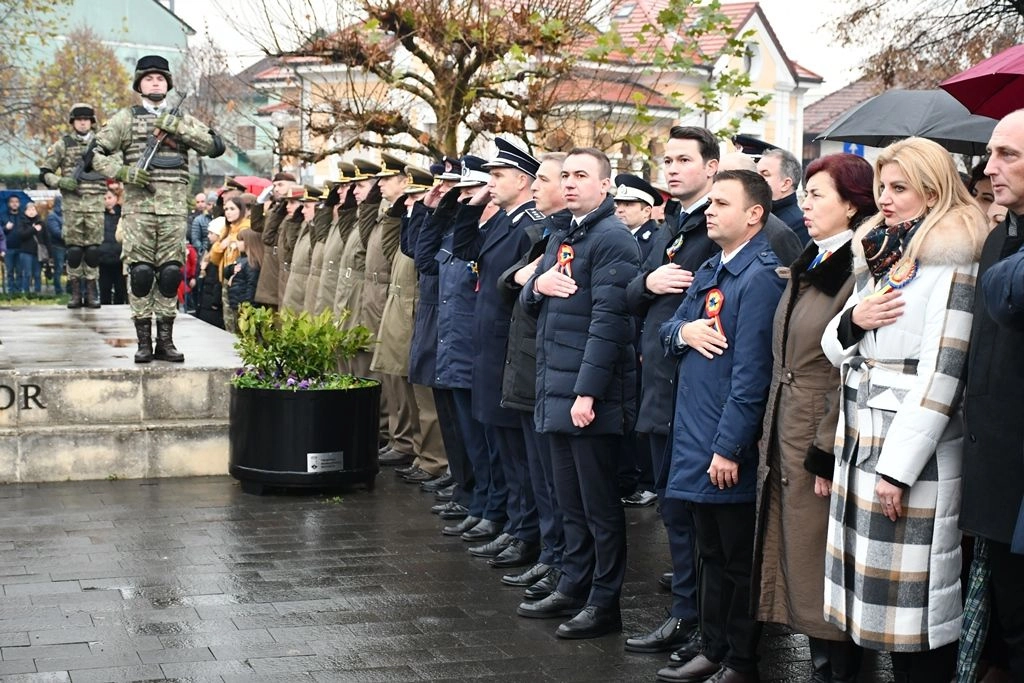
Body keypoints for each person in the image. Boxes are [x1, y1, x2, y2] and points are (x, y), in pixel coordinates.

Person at [820, 137, 988, 683]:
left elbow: (944, 376)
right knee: (873, 605)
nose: (884, 199)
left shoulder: (956, 260)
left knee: (914, 611)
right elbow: (832, 345)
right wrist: (855, 320)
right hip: (859, 438)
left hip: (911, 451)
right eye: (881, 187)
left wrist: (897, 470)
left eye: (899, 188)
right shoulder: (883, 253)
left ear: (933, 191)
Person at [656, 170, 785, 683]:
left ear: (754, 214)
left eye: (722, 204)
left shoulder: (760, 277)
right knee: (707, 551)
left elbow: (752, 376)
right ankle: (711, 647)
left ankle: (740, 659)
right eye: (710, 203)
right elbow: (668, 329)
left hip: (722, 445)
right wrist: (685, 331)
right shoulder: (714, 265)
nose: (709, 211)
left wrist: (729, 447)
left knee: (735, 559)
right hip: (694, 435)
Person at [751, 153, 875, 683]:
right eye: (803, 193)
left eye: (817, 194)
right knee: (798, 555)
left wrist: (826, 447)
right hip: (790, 423)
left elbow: (847, 370)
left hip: (819, 432)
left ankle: (840, 670)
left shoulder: (857, 266)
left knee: (820, 559)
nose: (804, 203)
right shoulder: (816, 257)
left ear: (851, 205)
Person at [516, 148, 640, 640]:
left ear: (605, 185)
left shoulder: (612, 238)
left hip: (588, 398)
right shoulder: (563, 233)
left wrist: (586, 394)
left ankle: (604, 603)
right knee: (568, 501)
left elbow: (610, 325)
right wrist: (537, 286)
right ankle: (573, 584)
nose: (569, 183)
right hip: (555, 386)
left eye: (581, 175)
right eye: (565, 175)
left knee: (599, 507)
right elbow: (530, 304)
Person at [624, 126, 719, 662]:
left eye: (684, 159)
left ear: (711, 167)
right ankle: (686, 612)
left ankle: (701, 621)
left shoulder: (718, 224)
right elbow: (632, 290)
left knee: (694, 516)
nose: (673, 168)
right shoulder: (672, 225)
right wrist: (649, 283)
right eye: (668, 160)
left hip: (695, 395)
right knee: (673, 512)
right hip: (661, 390)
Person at [91, 54, 225, 363]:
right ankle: (143, 342)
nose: (155, 83)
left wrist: (179, 129)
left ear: (168, 85)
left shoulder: (182, 119)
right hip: (138, 211)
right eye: (149, 78)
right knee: (140, 274)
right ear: (139, 85)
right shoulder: (125, 119)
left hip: (173, 210)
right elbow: (94, 154)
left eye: (160, 79)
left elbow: (215, 146)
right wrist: (123, 172)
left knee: (170, 274)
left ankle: (165, 341)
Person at [959, 109, 1024, 682]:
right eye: (991, 152)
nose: (990, 167)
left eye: (1009, 155)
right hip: (993, 463)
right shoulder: (1000, 236)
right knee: (1006, 619)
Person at [497, 152, 569, 600]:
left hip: (549, 372)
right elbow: (510, 280)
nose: (535, 186)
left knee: (555, 481)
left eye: (543, 179)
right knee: (541, 476)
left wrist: (528, 281)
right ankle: (550, 553)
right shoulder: (546, 233)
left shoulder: (564, 236)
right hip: (530, 367)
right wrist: (523, 278)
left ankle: (558, 559)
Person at [612, 173, 663, 509]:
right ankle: (629, 476)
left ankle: (645, 481)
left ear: (647, 210)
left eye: (629, 204)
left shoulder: (654, 240)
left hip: (641, 339)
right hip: (622, 337)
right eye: (618, 203)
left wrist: (644, 343)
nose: (620, 209)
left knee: (642, 413)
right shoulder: (618, 238)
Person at [39, 103, 108, 307]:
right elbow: (45, 172)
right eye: (79, 120)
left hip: (95, 205)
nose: (83, 123)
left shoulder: (102, 144)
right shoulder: (63, 144)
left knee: (93, 251)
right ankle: (76, 292)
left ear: (92, 122)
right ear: (73, 122)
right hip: (72, 205)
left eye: (86, 119)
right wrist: (61, 181)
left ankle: (92, 292)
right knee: (75, 251)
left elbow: (115, 166)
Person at [209, 195, 251, 332]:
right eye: (226, 209)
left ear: (241, 210)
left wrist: (233, 241)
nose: (228, 212)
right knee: (228, 321)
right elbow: (214, 258)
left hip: (241, 279)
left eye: (232, 209)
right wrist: (221, 245)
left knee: (240, 321)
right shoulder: (226, 229)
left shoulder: (246, 228)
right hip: (226, 279)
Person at [757, 148, 807, 245]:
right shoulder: (759, 215)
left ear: (785, 184)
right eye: (755, 173)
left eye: (765, 174)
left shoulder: (798, 225)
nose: (755, 178)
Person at [97, 189, 126, 305]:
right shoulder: (100, 215)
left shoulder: (123, 215)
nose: (107, 201)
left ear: (116, 198)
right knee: (104, 289)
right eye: (104, 199)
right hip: (103, 258)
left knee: (120, 289)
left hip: (120, 258)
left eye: (110, 198)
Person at [16, 202, 51, 294]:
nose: (31, 211)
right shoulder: (22, 222)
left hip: (38, 252)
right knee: (27, 274)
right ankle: (26, 292)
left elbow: (46, 238)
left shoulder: (41, 222)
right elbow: (21, 235)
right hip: (26, 252)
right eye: (29, 209)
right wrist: (33, 229)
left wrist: (50, 253)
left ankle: (37, 292)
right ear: (25, 211)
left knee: (37, 274)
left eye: (33, 209)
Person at [44, 196, 65, 296]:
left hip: (68, 246)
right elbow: (56, 232)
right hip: (57, 246)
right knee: (59, 269)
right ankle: (58, 290)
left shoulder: (66, 215)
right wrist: (70, 235)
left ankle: (70, 289)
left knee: (71, 269)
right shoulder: (52, 216)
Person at [3, 195, 23, 293]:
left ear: (19, 204)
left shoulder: (23, 216)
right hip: (8, 248)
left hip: (21, 247)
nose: (14, 204)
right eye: (12, 202)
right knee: (10, 271)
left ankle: (18, 290)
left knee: (20, 271)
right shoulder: (3, 216)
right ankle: (11, 291)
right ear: (8, 204)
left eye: (16, 202)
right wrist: (5, 228)